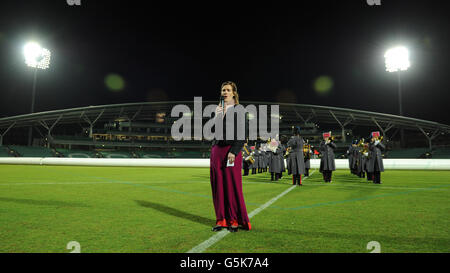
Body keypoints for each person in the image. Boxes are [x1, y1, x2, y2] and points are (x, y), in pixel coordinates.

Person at [210, 81, 251, 232]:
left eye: (228, 90)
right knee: (218, 186)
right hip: (217, 150)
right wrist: (217, 116)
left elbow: (243, 133)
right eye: (223, 90)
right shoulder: (218, 110)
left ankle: (234, 219)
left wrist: (234, 151)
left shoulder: (239, 110)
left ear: (234, 93)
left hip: (231, 151)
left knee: (232, 186)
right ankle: (221, 219)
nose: (225, 92)